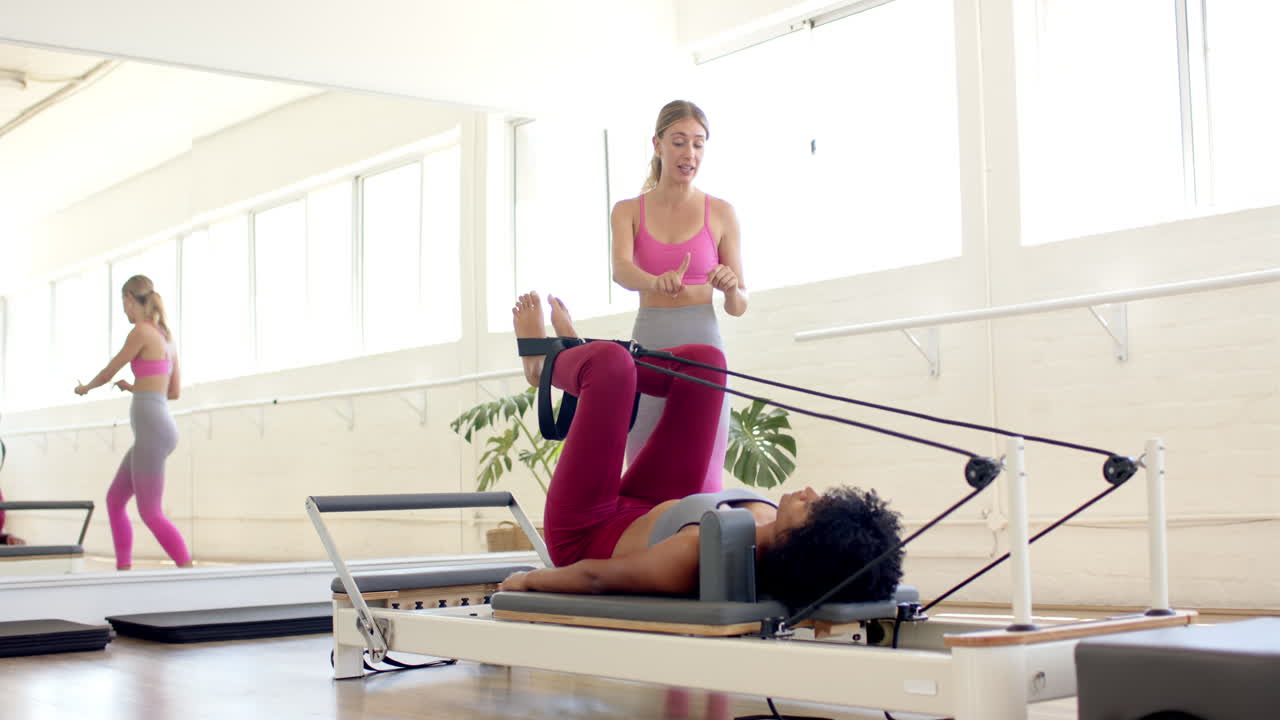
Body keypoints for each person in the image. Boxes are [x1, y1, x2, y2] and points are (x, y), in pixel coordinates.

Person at [499, 293, 901, 609]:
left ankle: (544, 367)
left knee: (610, 364)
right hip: (653, 503)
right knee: (706, 365)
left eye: (815, 507)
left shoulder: (696, 556)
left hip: (586, 530)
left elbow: (595, 578)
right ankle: (578, 358)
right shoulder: (771, 520)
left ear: (801, 543)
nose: (811, 491)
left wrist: (528, 581)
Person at [609, 99, 748, 493]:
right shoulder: (627, 211)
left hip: (704, 342)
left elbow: (739, 305)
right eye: (679, 142)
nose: (690, 153)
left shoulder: (721, 212)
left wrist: (730, 286)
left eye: (699, 144)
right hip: (650, 343)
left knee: (702, 471)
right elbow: (620, 270)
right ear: (657, 144)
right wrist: (654, 282)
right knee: (641, 462)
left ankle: (701, 552)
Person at [74, 275, 191, 571]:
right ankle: (123, 569)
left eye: (123, 304)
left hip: (152, 431)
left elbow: (109, 370)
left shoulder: (141, 331)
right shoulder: (165, 337)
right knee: (115, 500)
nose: (124, 311)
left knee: (150, 512)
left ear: (129, 298)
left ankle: (188, 570)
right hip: (158, 427)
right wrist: (135, 387)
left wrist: (86, 387)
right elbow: (173, 392)